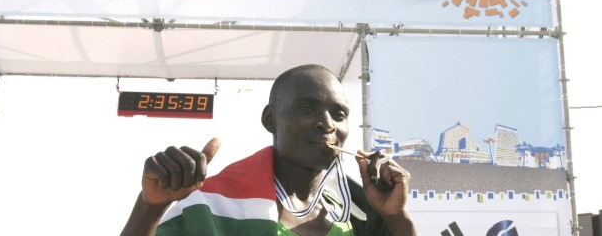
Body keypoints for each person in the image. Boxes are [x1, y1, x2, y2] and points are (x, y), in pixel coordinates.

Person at [121, 64, 417, 236]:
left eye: (339, 115)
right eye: (307, 108)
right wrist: (151, 207)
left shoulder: (357, 212)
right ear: (270, 119)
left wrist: (396, 217)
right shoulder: (213, 205)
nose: (327, 124)